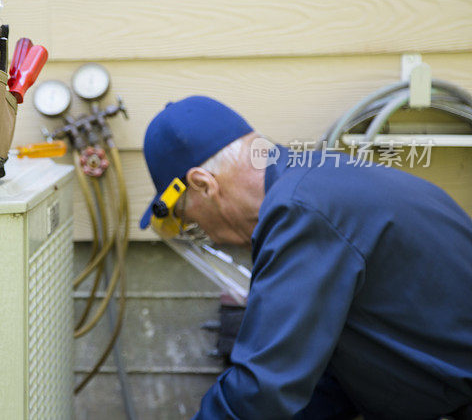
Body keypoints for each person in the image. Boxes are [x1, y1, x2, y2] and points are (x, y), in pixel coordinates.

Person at [139, 96, 472, 419]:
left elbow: (262, 389)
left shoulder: (299, 212)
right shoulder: (316, 179)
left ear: (203, 184)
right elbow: (329, 369)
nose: (200, 230)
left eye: (185, 216)